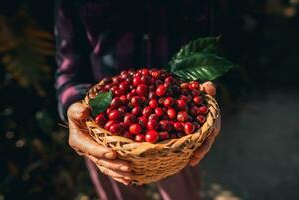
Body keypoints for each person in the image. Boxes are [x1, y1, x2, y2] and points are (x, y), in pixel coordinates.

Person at [54, 0, 221, 199]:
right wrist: (76, 109)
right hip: (107, 137)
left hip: (179, 143)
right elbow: (69, 70)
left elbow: (204, 52)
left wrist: (205, 98)